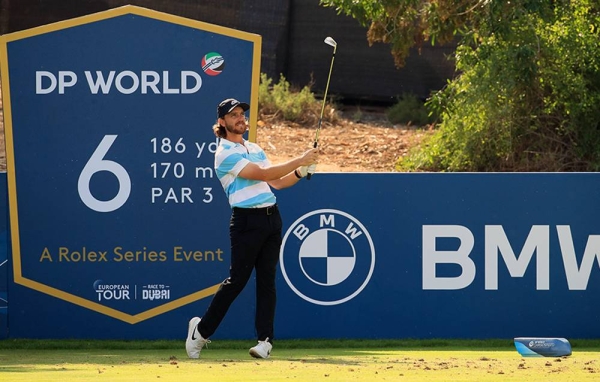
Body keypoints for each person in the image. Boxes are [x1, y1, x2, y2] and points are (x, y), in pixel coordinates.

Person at [186, 98, 319, 359]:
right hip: (246, 222)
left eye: (241, 114)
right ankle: (200, 332)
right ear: (221, 122)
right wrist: (299, 159)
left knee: (267, 281)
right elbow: (262, 175)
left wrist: (301, 171)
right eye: (233, 115)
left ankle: (265, 341)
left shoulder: (255, 148)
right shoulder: (224, 153)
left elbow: (277, 183)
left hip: (272, 217)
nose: (240, 118)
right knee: (237, 282)